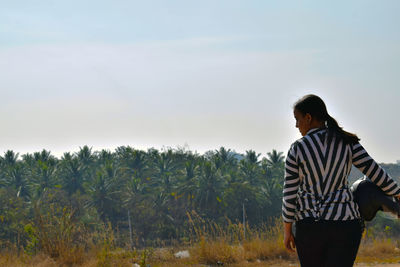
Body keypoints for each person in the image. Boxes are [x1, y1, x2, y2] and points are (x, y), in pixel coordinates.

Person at [282, 94, 400, 267]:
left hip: (309, 228)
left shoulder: (298, 148)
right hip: (345, 225)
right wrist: (398, 193)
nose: (296, 125)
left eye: (297, 119)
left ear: (308, 118)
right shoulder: (347, 142)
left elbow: (290, 194)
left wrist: (287, 230)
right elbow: (376, 173)